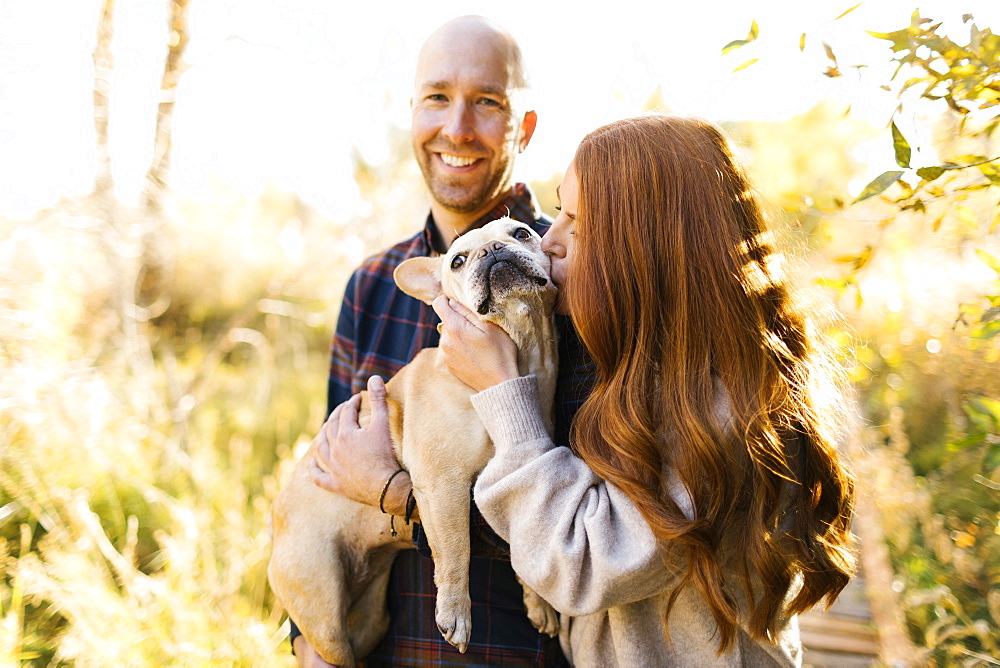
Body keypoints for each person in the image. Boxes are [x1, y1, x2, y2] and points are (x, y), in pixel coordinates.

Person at [323, 114, 857, 666]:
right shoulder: (636, 360)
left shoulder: (720, 408)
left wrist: (502, 396)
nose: (550, 240)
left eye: (576, 224)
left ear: (649, 247)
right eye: (558, 212)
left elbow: (576, 559)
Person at [293, 14, 588, 667]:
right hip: (388, 646)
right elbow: (332, 473)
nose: (457, 128)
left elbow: (600, 520)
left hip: (525, 651)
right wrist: (308, 643)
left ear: (524, 127)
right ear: (413, 116)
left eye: (487, 102)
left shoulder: (574, 271)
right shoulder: (372, 286)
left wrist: (396, 492)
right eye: (437, 98)